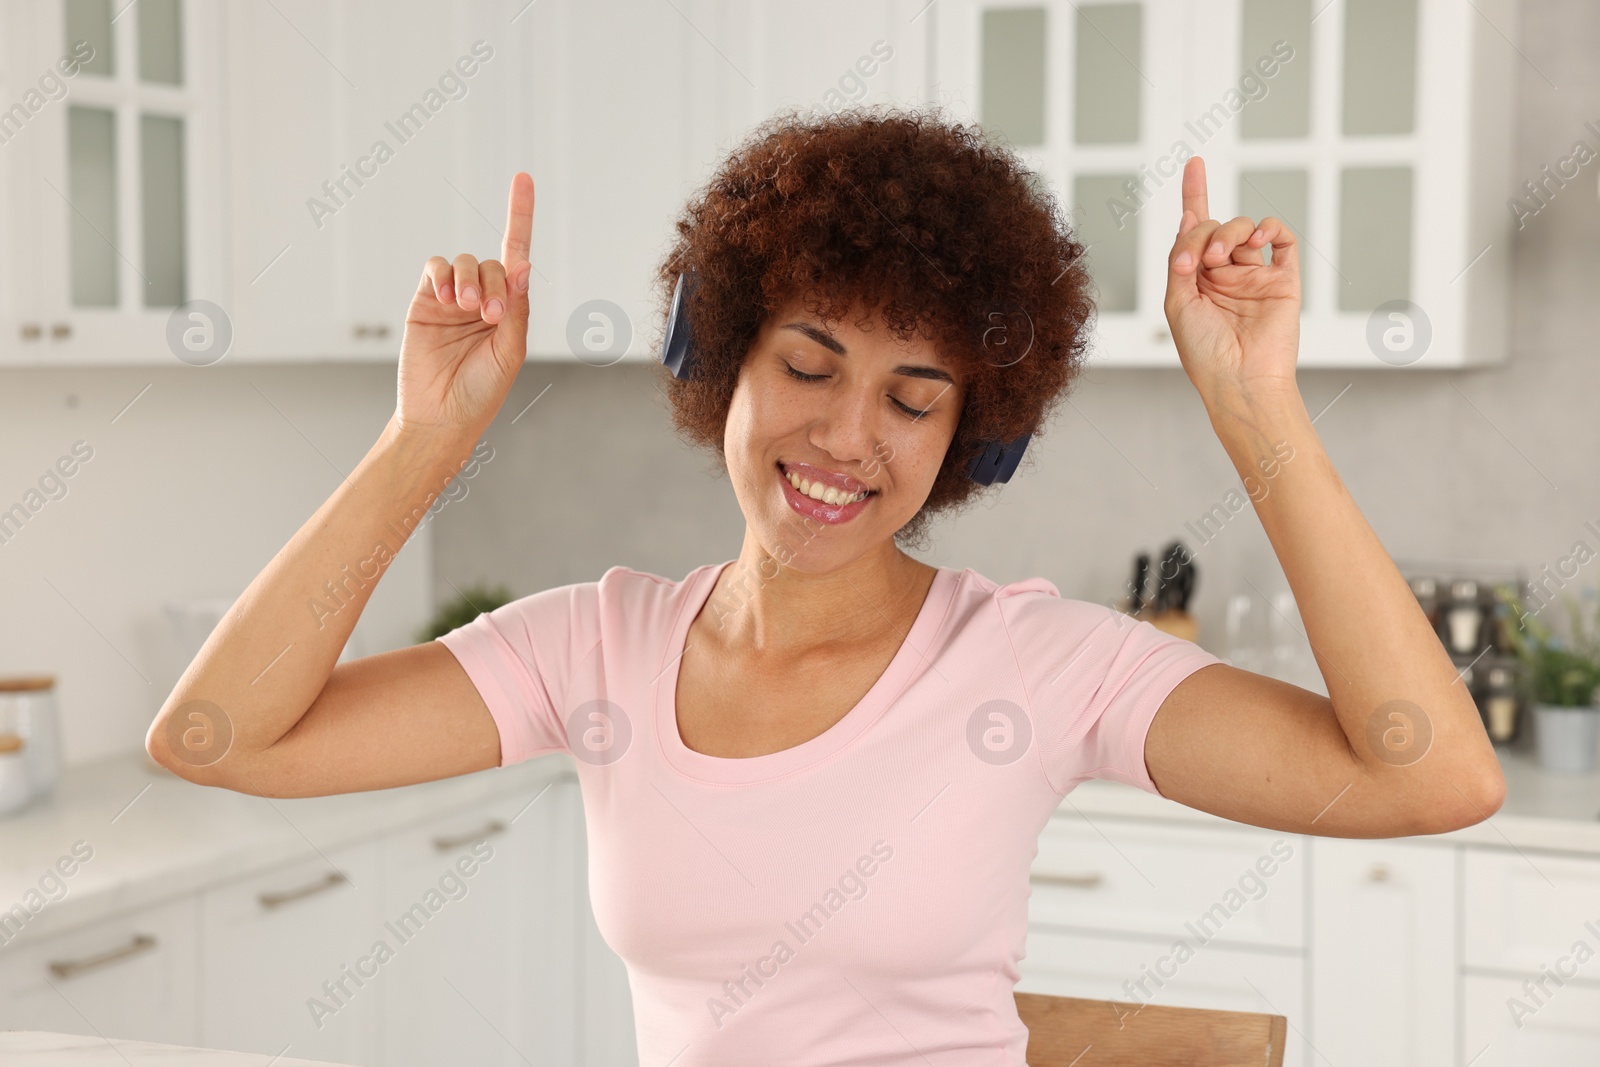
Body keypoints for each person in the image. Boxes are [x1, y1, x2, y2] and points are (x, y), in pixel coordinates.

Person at [148, 108, 1504, 1066]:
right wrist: (425, 438)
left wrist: (1256, 405)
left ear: (971, 437)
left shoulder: (1034, 664)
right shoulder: (595, 647)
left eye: (914, 400)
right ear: (721, 360)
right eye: (808, 367)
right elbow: (217, 741)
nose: (850, 437)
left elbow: (1428, 777)